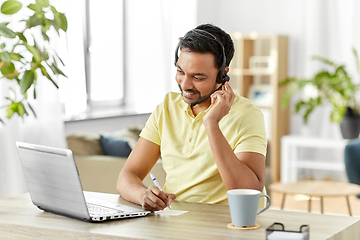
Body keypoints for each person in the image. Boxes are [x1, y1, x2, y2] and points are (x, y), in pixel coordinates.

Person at [116, 23, 267, 211]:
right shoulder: (167, 107)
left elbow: (248, 191)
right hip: (175, 220)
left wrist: (211, 123)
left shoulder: (247, 115)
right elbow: (127, 176)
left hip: (227, 223)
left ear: (223, 75)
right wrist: (142, 195)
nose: (185, 84)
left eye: (198, 77)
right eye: (180, 72)